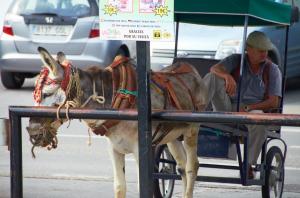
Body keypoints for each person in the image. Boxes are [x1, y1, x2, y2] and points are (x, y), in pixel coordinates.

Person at [203, 31, 282, 178]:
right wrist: (226, 76)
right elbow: (214, 69)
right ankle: (194, 114)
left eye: (265, 50)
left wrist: (249, 108)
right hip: (228, 108)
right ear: (248, 49)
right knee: (212, 77)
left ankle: (248, 163)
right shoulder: (236, 60)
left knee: (259, 119)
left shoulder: (272, 70)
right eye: (260, 50)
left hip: (253, 111)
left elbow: (274, 101)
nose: (264, 53)